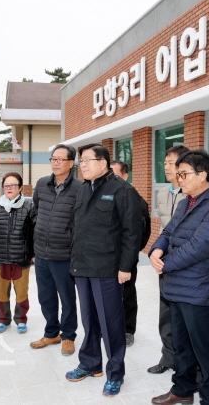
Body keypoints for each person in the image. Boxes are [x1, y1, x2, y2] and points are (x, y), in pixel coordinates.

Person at [149, 150, 209, 405]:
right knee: (181, 345)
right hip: (176, 287)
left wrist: (165, 264)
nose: (179, 179)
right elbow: (168, 231)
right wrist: (156, 249)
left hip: (198, 290)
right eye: (178, 174)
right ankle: (182, 390)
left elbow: (200, 246)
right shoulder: (185, 202)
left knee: (205, 350)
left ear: (202, 175)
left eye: (184, 174)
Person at [65, 143, 142, 398]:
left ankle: (115, 373)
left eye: (88, 160)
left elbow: (132, 232)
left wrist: (125, 267)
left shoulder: (122, 190)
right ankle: (90, 363)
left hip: (107, 269)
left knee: (111, 323)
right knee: (89, 320)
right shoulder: (83, 189)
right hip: (83, 267)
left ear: (104, 162)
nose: (83, 165)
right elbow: (77, 227)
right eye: (81, 161)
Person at [30, 144, 82, 356]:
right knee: (46, 297)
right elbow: (35, 212)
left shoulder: (80, 188)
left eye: (61, 159)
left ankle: (68, 336)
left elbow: (81, 222)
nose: (56, 163)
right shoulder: (42, 184)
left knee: (67, 299)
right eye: (53, 159)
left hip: (64, 255)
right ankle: (51, 333)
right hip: (41, 253)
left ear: (71, 163)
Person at [148, 145, 190, 374]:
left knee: (186, 317)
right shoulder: (162, 193)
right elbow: (164, 229)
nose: (166, 167)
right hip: (165, 263)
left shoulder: (192, 194)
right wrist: (157, 250)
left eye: (171, 163)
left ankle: (189, 364)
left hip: (186, 264)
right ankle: (168, 358)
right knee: (165, 314)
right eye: (165, 162)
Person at [0, 172, 36, 334]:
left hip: (21, 258)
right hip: (1, 258)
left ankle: (21, 319)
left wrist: (34, 253)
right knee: (2, 292)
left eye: (13, 185)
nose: (9, 188)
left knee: (22, 291)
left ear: (20, 188)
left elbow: (34, 233)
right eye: (6, 186)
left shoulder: (29, 208)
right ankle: (3, 320)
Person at [109, 160, 151, 348]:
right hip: (106, 257)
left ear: (125, 176)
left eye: (115, 175)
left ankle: (128, 330)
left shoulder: (135, 199)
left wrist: (131, 253)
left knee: (127, 294)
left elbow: (143, 231)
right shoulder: (104, 196)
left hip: (126, 257)